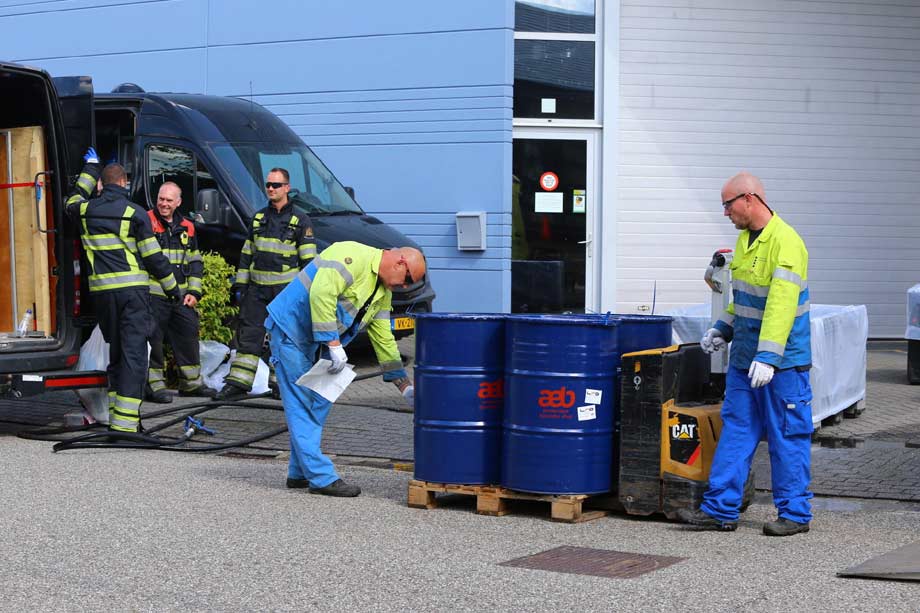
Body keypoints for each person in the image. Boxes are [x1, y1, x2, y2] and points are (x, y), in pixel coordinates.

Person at [677, 172, 813, 537]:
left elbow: (781, 307)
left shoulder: (786, 243)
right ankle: (720, 509)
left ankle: (795, 514)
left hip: (782, 365)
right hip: (745, 362)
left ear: (749, 199)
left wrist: (768, 358)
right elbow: (744, 301)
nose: (725, 212)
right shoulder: (745, 242)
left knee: (787, 435)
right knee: (736, 431)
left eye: (728, 204)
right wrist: (722, 329)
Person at [265, 242, 423, 496]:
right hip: (290, 332)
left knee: (318, 400)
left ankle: (299, 472)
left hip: (314, 340)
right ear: (400, 262)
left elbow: (383, 338)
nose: (404, 286)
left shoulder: (383, 292)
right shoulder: (349, 255)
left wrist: (403, 386)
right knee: (303, 403)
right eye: (407, 279)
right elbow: (321, 295)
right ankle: (321, 477)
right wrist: (334, 343)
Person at [66, 148, 181, 432]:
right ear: (124, 183)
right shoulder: (135, 213)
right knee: (133, 355)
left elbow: (73, 199)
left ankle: (118, 418)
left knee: (117, 353)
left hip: (103, 296)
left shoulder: (85, 210)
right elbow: (155, 259)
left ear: (103, 185)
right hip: (133, 294)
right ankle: (127, 427)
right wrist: (173, 290)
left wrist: (90, 168)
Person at [213, 168, 317, 401]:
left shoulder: (301, 221)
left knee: (284, 340)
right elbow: (246, 255)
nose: (271, 188)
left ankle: (281, 386)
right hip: (257, 292)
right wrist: (241, 287)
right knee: (248, 337)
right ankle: (239, 384)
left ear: (287, 188)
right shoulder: (259, 218)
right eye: (268, 184)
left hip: (285, 294)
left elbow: (308, 264)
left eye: (276, 185)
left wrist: (303, 296)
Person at [144, 182, 216, 403]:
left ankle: (191, 384)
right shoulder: (145, 221)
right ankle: (154, 386)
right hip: (154, 294)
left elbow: (195, 261)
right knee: (153, 341)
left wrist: (194, 292)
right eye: (161, 199)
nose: (163, 204)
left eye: (168, 200)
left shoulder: (188, 226)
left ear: (178, 202)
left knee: (188, 336)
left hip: (181, 296)